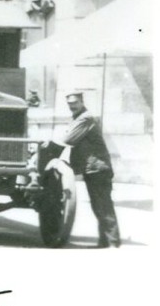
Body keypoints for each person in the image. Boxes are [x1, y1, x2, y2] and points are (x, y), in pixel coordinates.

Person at [47, 90, 121, 248]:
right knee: (98, 206)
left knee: (103, 206)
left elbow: (68, 139)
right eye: (69, 104)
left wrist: (49, 147)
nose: (72, 106)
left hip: (97, 169)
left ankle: (113, 243)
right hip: (92, 169)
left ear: (81, 102)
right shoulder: (78, 118)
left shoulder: (85, 118)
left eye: (74, 103)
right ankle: (105, 242)